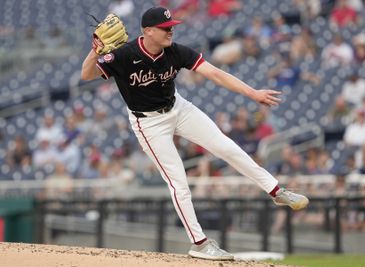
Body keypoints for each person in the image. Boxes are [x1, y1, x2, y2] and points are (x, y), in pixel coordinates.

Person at [81, 6, 308, 260]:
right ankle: (199, 243)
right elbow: (86, 74)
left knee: (227, 146)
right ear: (147, 31)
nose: (171, 31)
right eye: (165, 28)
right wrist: (95, 51)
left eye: (172, 26)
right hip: (149, 124)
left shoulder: (176, 52)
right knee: (179, 183)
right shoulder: (124, 55)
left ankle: (276, 191)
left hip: (179, 107)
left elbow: (215, 73)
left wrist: (252, 93)